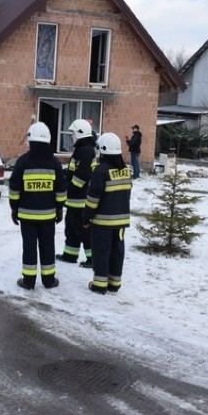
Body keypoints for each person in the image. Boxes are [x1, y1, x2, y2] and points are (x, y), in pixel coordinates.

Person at [8, 122, 67, 290]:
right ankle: (49, 280)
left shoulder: (23, 161)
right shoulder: (54, 163)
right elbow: (61, 189)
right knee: (48, 246)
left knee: (29, 246)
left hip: (26, 215)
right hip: (48, 215)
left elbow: (14, 188)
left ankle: (29, 281)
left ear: (30, 140)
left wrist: (14, 208)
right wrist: (59, 208)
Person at [84, 132, 132, 295]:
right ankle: (114, 283)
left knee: (101, 251)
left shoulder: (100, 171)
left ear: (102, 151)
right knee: (117, 252)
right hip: (120, 223)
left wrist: (86, 216)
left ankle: (99, 284)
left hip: (102, 222)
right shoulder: (126, 170)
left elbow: (93, 198)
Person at [56, 119, 97, 268]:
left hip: (80, 199)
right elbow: (75, 169)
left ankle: (92, 259)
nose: (71, 135)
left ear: (79, 133)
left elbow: (81, 177)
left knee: (83, 230)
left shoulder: (85, 150)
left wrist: (67, 188)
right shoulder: (82, 149)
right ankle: (70, 254)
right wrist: (65, 173)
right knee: (71, 228)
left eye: (73, 133)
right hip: (74, 200)